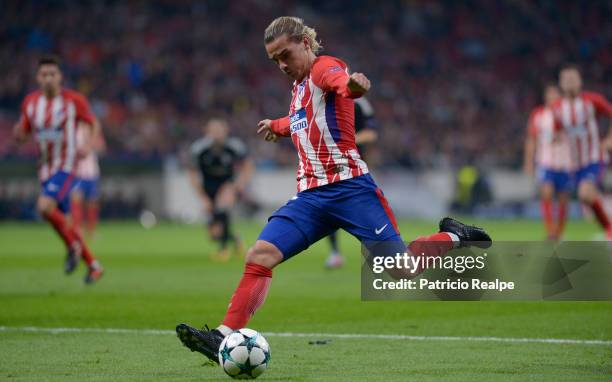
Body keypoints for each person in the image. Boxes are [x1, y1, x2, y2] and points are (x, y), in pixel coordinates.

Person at [176, 16, 491, 363]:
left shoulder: (325, 67)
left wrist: (354, 87)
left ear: (305, 44)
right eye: (274, 60)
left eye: (285, 54)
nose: (281, 65)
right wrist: (276, 126)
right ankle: (223, 336)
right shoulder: (297, 88)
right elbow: (299, 120)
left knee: (401, 268)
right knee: (259, 255)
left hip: (352, 191)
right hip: (311, 198)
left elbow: (342, 86)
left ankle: (454, 235)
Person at [13, 55, 104, 283]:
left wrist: (89, 144)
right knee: (64, 223)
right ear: (37, 78)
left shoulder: (74, 101)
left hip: (67, 166)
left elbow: (93, 123)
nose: (48, 78)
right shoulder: (31, 103)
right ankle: (94, 265)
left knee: (44, 207)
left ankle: (73, 245)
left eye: (52, 74)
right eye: (44, 74)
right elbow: (23, 132)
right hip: (44, 169)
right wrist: (18, 134)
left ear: (60, 77)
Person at [551, 65, 612, 239]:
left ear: (580, 81)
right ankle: (609, 229)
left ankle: (609, 229)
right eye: (566, 79)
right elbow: (558, 130)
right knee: (586, 198)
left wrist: (609, 139)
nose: (570, 81)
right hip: (576, 163)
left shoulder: (592, 101)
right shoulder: (557, 108)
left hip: (594, 157)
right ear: (561, 84)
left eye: (573, 78)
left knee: (585, 193)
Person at [188, 117, 254, 260]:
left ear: (226, 131)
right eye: (213, 130)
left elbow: (248, 166)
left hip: (227, 185)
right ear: (206, 132)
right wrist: (202, 197)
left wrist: (237, 187)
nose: (216, 134)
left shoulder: (235, 147)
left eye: (219, 130)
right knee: (214, 234)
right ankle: (235, 239)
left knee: (222, 207)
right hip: (208, 188)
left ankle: (223, 251)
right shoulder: (199, 149)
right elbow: (192, 174)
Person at [325, 96, 379, 269]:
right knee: (331, 206)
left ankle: (379, 249)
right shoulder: (323, 99)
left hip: (353, 166)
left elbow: (370, 133)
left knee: (356, 207)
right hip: (331, 165)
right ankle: (335, 253)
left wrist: (347, 142)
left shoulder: (359, 103)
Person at [523, 85, 572, 240]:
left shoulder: (568, 114)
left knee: (564, 198)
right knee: (546, 193)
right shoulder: (538, 114)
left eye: (554, 94)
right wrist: (529, 161)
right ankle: (551, 232)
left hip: (565, 163)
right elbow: (531, 139)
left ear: (560, 96)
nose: (551, 97)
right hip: (545, 162)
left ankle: (559, 231)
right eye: (549, 94)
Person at [71, 118, 105, 241]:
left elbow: (102, 148)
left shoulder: (93, 132)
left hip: (92, 173)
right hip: (77, 173)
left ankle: (92, 231)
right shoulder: (72, 131)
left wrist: (92, 141)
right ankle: (77, 230)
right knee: (76, 201)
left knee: (92, 203)